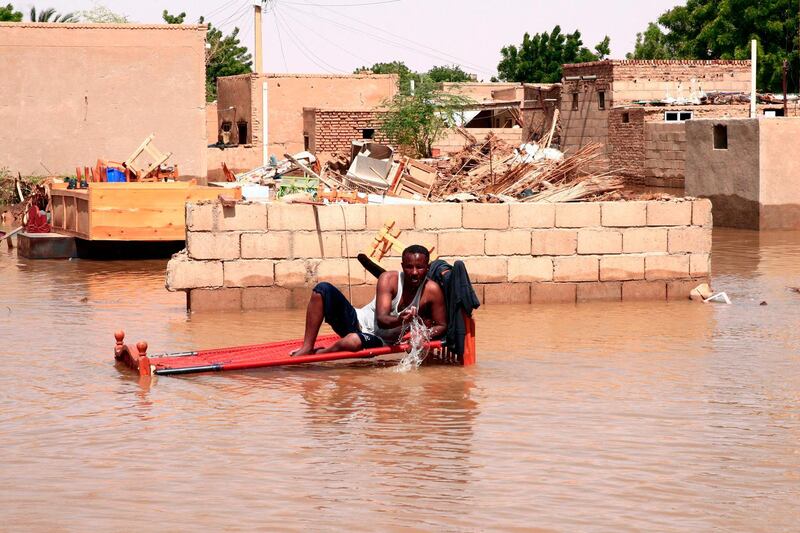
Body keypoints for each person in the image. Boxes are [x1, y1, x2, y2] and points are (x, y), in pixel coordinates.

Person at [290, 244, 447, 356]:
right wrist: (400, 320)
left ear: (427, 268)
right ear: (402, 266)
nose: (414, 272)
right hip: (355, 321)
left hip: (380, 340)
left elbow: (441, 325)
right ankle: (307, 347)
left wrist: (422, 334)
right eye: (409, 267)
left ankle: (321, 353)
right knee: (322, 289)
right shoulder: (389, 279)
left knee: (352, 341)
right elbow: (382, 320)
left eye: (419, 268)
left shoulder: (432, 291)